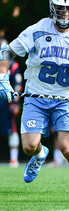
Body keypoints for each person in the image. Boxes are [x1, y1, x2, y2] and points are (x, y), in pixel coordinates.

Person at [0, 0, 69, 193]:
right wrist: (2, 79)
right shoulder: (39, 29)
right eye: (60, 8)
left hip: (64, 100)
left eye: (68, 9)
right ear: (52, 8)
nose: (64, 13)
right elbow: (6, 53)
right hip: (35, 97)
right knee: (29, 146)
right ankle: (39, 155)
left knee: (68, 150)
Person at [0, 38, 23, 168]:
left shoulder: (13, 65)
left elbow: (18, 85)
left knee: (12, 129)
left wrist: (15, 103)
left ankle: (14, 159)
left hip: (7, 101)